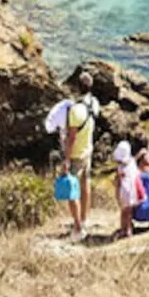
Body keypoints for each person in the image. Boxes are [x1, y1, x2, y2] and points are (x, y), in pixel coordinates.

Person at [44, 72, 101, 239]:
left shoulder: (75, 110)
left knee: (71, 190)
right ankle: (84, 219)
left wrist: (66, 160)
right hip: (88, 150)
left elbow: (71, 138)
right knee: (85, 185)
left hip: (76, 154)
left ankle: (78, 228)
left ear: (77, 87)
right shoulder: (94, 103)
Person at [113, 141, 141, 239]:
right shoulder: (132, 162)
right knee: (129, 213)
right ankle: (129, 229)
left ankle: (123, 229)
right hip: (133, 191)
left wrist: (117, 194)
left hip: (124, 191)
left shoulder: (121, 168)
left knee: (123, 212)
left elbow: (118, 181)